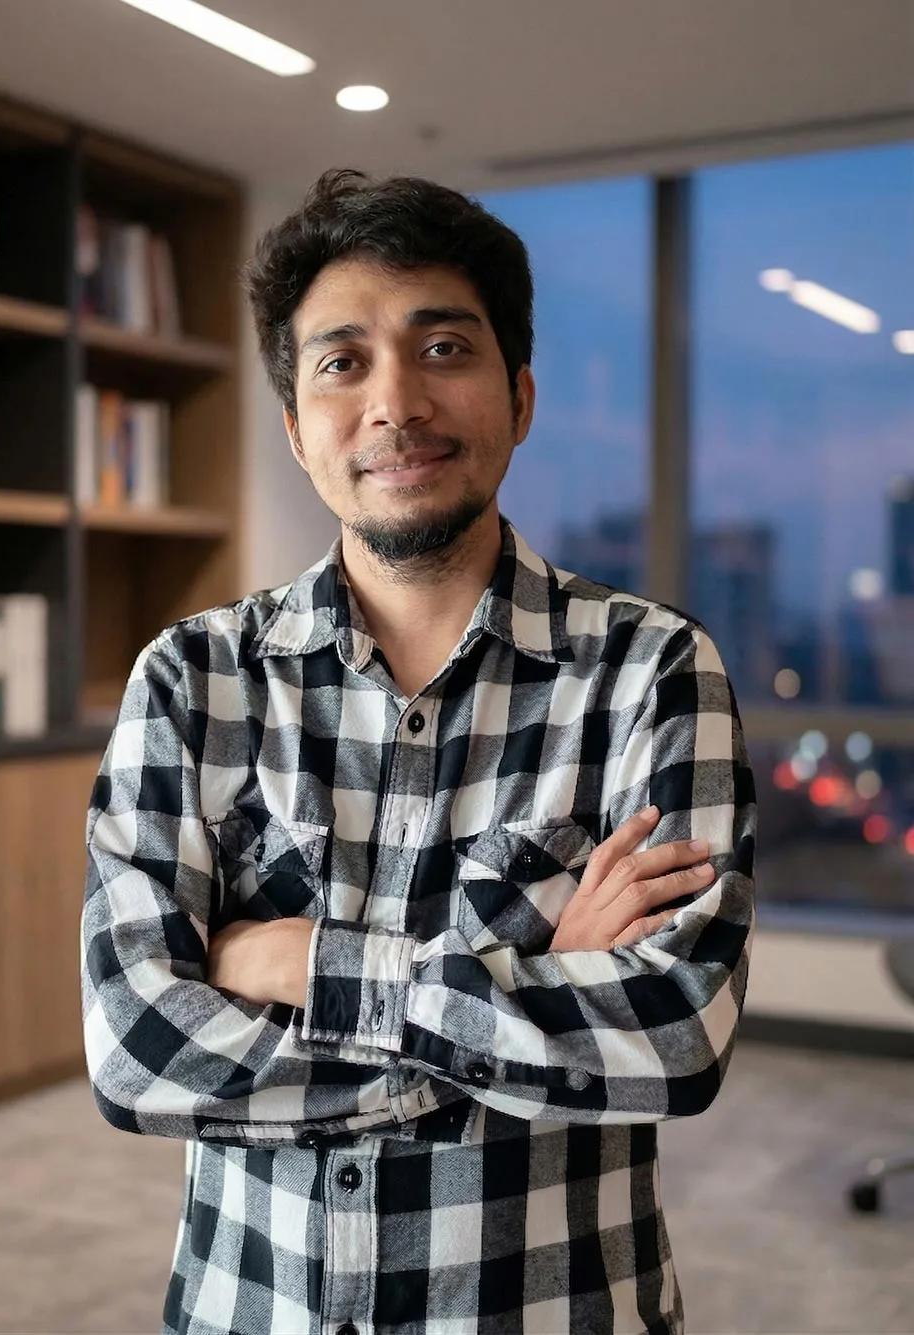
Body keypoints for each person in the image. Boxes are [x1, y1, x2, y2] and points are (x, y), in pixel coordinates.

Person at [82, 169, 755, 1335]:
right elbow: (137, 1055)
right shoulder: (192, 680)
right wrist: (524, 980)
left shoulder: (651, 671)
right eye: (343, 362)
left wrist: (300, 966)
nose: (395, 402)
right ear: (297, 430)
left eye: (443, 347)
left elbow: (672, 1039)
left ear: (520, 394)